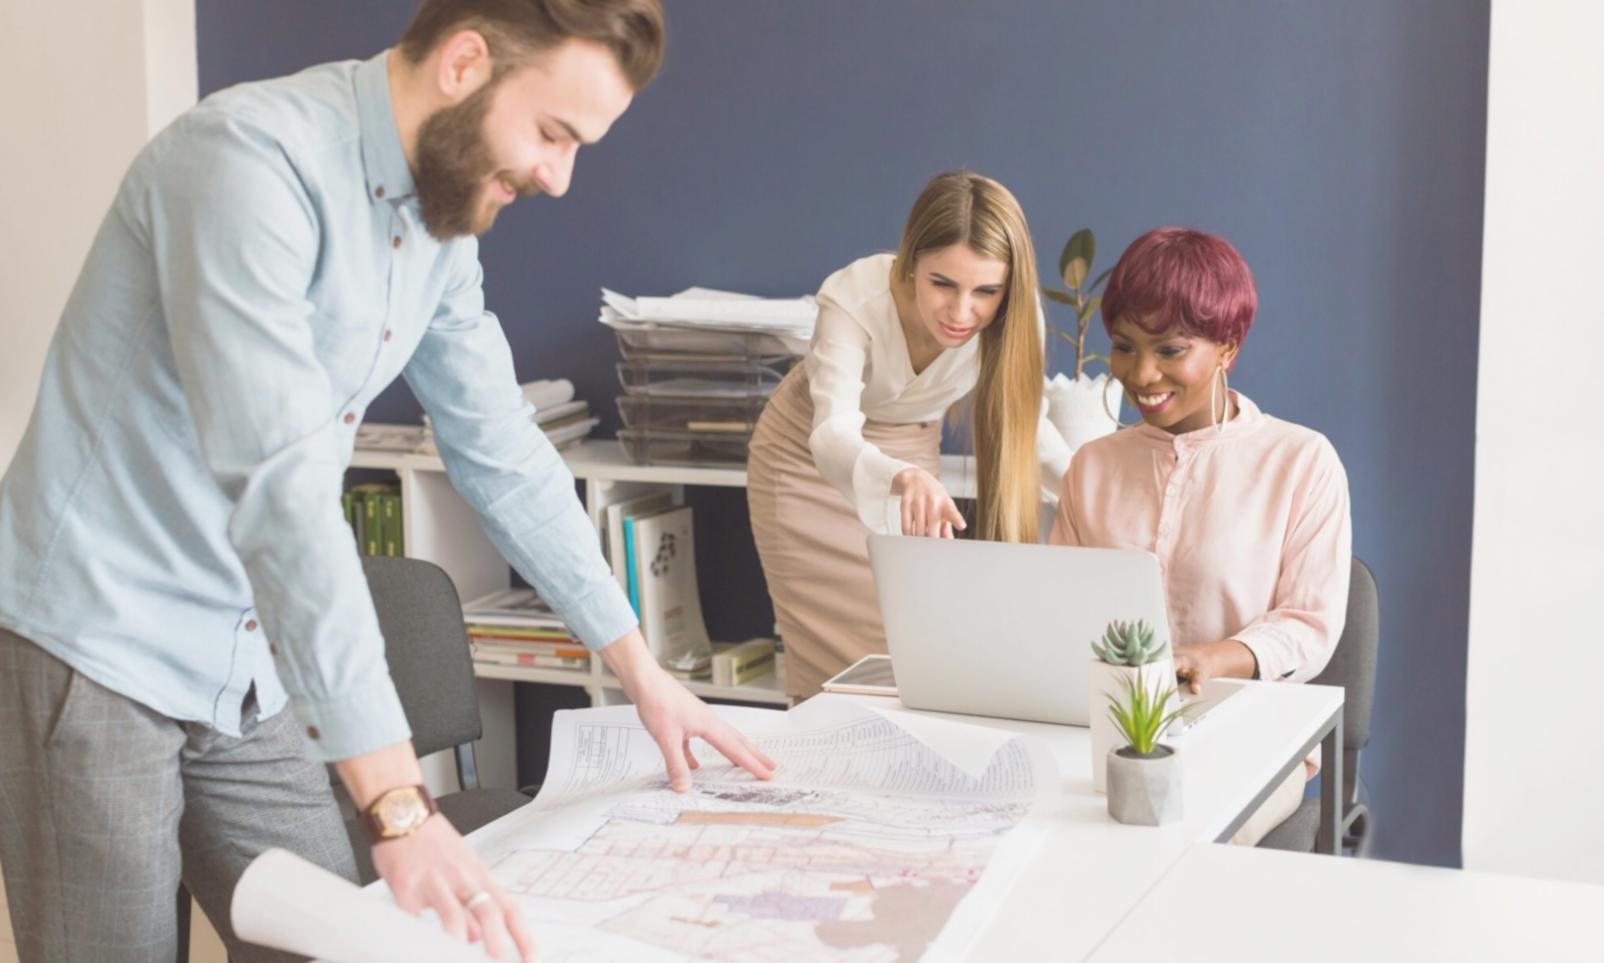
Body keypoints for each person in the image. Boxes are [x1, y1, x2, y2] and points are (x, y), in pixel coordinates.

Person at [0, 2, 776, 960]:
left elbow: (499, 443)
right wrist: (399, 808)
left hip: (243, 658)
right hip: (98, 643)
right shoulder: (246, 163)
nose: (558, 176)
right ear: (464, 63)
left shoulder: (439, 225)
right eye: (551, 132)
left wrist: (641, 672)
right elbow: (280, 492)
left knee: (342, 942)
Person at [1050, 226, 1352, 845]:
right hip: (1103, 732)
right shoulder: (1094, 466)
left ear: (1227, 348)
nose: (1142, 373)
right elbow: (1062, 611)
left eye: (1170, 350)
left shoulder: (1300, 461)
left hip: (1248, 733)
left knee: (1173, 843)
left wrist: (1211, 659)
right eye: (1126, 347)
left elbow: (1308, 623)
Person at [748, 171, 1073, 700]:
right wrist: (901, 476)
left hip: (912, 460)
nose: (962, 312)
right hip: (806, 465)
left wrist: (1092, 489)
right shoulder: (855, 297)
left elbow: (1029, 427)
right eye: (942, 283)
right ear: (910, 261)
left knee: (913, 651)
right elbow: (830, 431)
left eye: (986, 291)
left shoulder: (1015, 318)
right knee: (831, 674)